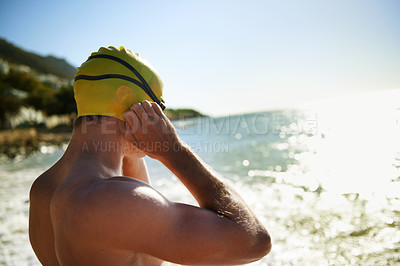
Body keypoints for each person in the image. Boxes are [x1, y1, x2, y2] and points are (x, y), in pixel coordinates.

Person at [29, 46, 271, 265]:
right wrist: (174, 151)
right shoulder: (110, 200)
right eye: (159, 105)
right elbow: (254, 241)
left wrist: (130, 138)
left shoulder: (42, 189)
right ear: (124, 97)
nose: (163, 119)